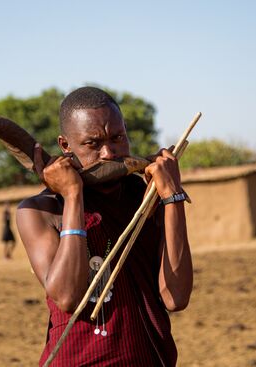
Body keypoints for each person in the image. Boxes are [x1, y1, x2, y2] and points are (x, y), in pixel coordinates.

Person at [16, 87, 193, 366]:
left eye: (118, 138)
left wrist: (172, 196)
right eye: (92, 143)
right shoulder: (42, 210)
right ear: (65, 146)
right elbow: (66, 297)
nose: (109, 152)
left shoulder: (145, 195)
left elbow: (175, 297)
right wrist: (74, 195)